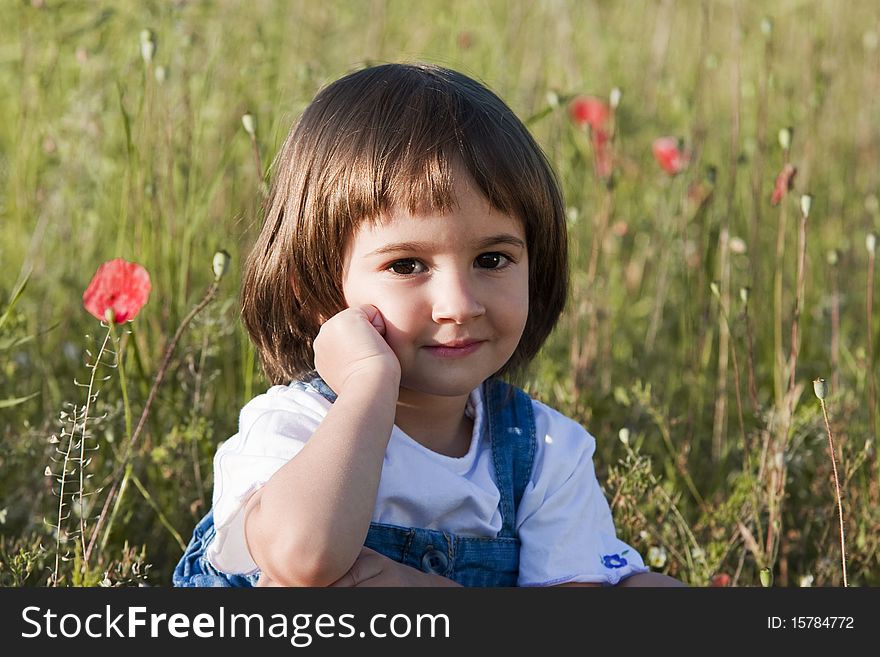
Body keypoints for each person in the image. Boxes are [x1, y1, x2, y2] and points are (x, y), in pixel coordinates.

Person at [174, 63, 683, 587]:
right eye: (406, 265)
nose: (458, 305)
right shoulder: (295, 427)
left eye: (491, 259)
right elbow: (305, 560)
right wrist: (368, 383)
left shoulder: (543, 452)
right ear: (315, 291)